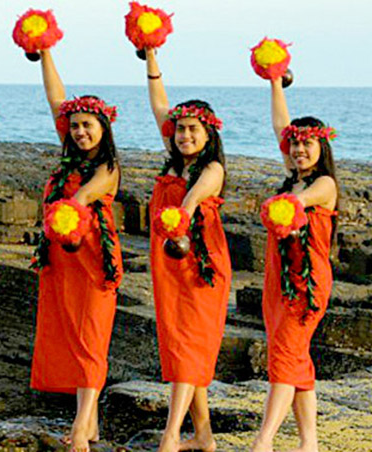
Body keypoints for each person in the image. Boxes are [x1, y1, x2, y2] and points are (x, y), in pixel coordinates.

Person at [29, 48, 123, 452]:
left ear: (103, 127)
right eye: (75, 125)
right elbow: (55, 99)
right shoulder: (68, 158)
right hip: (62, 258)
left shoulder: (108, 168)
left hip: (93, 259)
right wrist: (45, 52)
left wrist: (63, 217)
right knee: (72, 336)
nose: (80, 131)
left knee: (91, 338)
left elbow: (81, 200)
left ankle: (82, 425)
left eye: (87, 125)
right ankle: (93, 422)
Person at [144, 47, 232, 452]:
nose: (185, 136)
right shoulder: (172, 163)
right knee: (181, 346)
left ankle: (170, 436)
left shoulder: (211, 169)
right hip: (168, 263)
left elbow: (190, 204)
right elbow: (159, 103)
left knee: (189, 347)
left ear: (209, 134)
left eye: (194, 130)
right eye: (180, 130)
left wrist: (179, 215)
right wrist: (152, 57)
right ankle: (204, 436)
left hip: (199, 265)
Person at [251, 76, 339, 452]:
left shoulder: (323, 186)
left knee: (285, 358)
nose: (299, 149)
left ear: (322, 146)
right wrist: (274, 82)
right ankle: (309, 443)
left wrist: (282, 204)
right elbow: (279, 127)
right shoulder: (292, 181)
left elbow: (296, 207)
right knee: (295, 360)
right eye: (295, 144)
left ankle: (264, 442)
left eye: (307, 143)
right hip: (278, 282)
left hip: (307, 284)